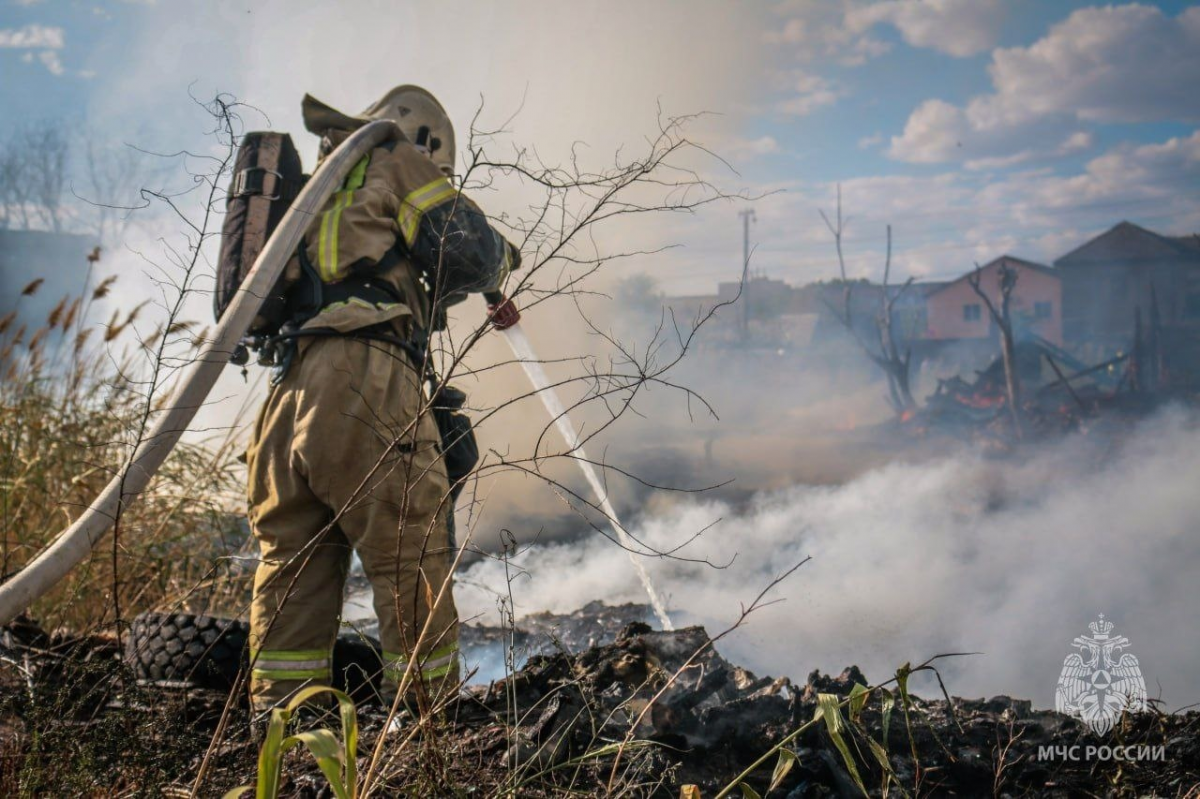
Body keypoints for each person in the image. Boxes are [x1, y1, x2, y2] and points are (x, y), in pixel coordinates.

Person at [244, 85, 518, 712]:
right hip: (361, 378)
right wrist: (503, 262)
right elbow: (468, 250)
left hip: (286, 395)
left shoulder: (315, 192)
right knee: (408, 557)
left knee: (291, 574)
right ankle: (426, 741)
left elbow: (376, 269)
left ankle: (285, 744)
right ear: (425, 139)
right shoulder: (396, 159)